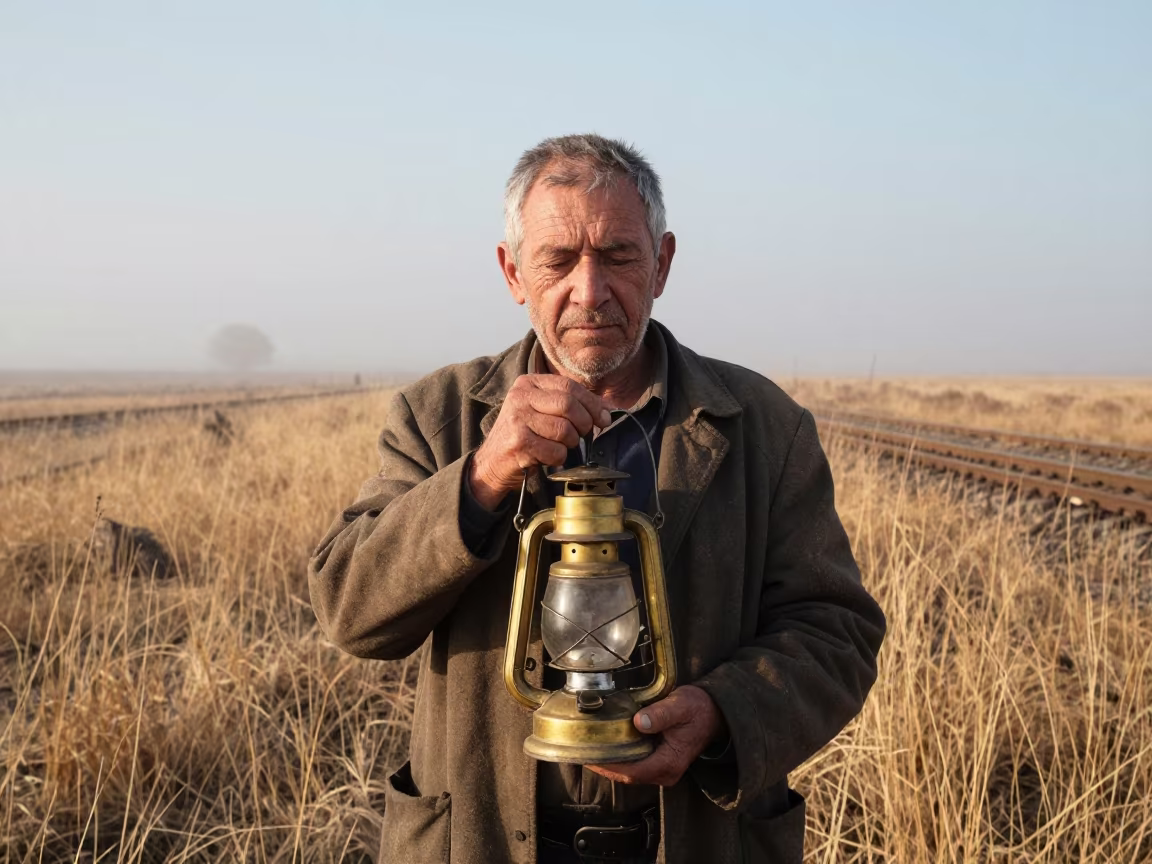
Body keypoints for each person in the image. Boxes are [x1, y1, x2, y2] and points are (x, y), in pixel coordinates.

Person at [309, 133, 886, 864]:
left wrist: (720, 715)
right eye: (558, 260)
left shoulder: (765, 428)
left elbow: (836, 630)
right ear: (513, 273)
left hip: (699, 839)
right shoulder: (440, 416)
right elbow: (349, 610)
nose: (590, 291)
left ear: (662, 264)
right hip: (481, 840)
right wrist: (483, 475)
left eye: (618, 256)